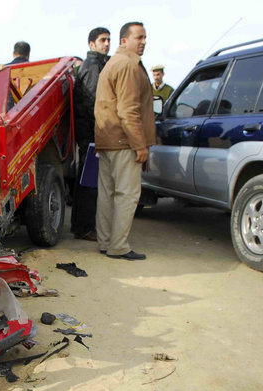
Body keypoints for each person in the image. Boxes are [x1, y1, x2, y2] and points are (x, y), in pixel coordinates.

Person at [94, 21, 154, 260]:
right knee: (127, 195)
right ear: (124, 40)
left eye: (145, 37)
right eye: (139, 37)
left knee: (107, 195)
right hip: (124, 141)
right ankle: (118, 246)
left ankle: (106, 242)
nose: (144, 42)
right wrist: (140, 144)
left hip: (108, 139)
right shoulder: (128, 65)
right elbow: (128, 110)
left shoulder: (112, 62)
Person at [71, 27, 111, 241]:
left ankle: (82, 226)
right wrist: (99, 136)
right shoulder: (94, 67)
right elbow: (94, 105)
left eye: (108, 40)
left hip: (90, 135)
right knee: (90, 184)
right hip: (93, 136)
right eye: (103, 40)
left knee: (86, 182)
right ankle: (85, 228)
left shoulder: (95, 65)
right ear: (92, 44)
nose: (107, 44)